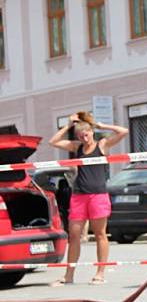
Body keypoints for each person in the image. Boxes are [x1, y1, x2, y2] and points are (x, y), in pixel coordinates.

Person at [48, 112, 128, 285]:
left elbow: (123, 132)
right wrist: (68, 126)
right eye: (80, 135)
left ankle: (100, 272)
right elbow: (52, 142)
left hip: (98, 195)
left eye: (86, 134)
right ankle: (69, 275)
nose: (84, 138)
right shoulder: (77, 147)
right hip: (79, 195)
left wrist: (102, 126)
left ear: (91, 132)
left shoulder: (103, 145)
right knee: (74, 235)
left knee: (100, 234)